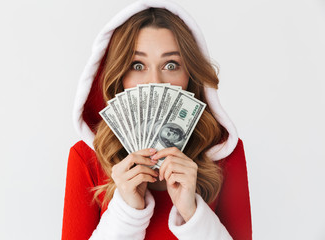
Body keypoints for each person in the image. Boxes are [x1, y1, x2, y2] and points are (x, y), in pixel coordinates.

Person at [62, 0, 252, 239]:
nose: (155, 82)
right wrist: (127, 213)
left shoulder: (225, 156)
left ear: (191, 75)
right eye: (137, 65)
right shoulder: (85, 158)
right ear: (118, 75)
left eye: (171, 65)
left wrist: (192, 215)